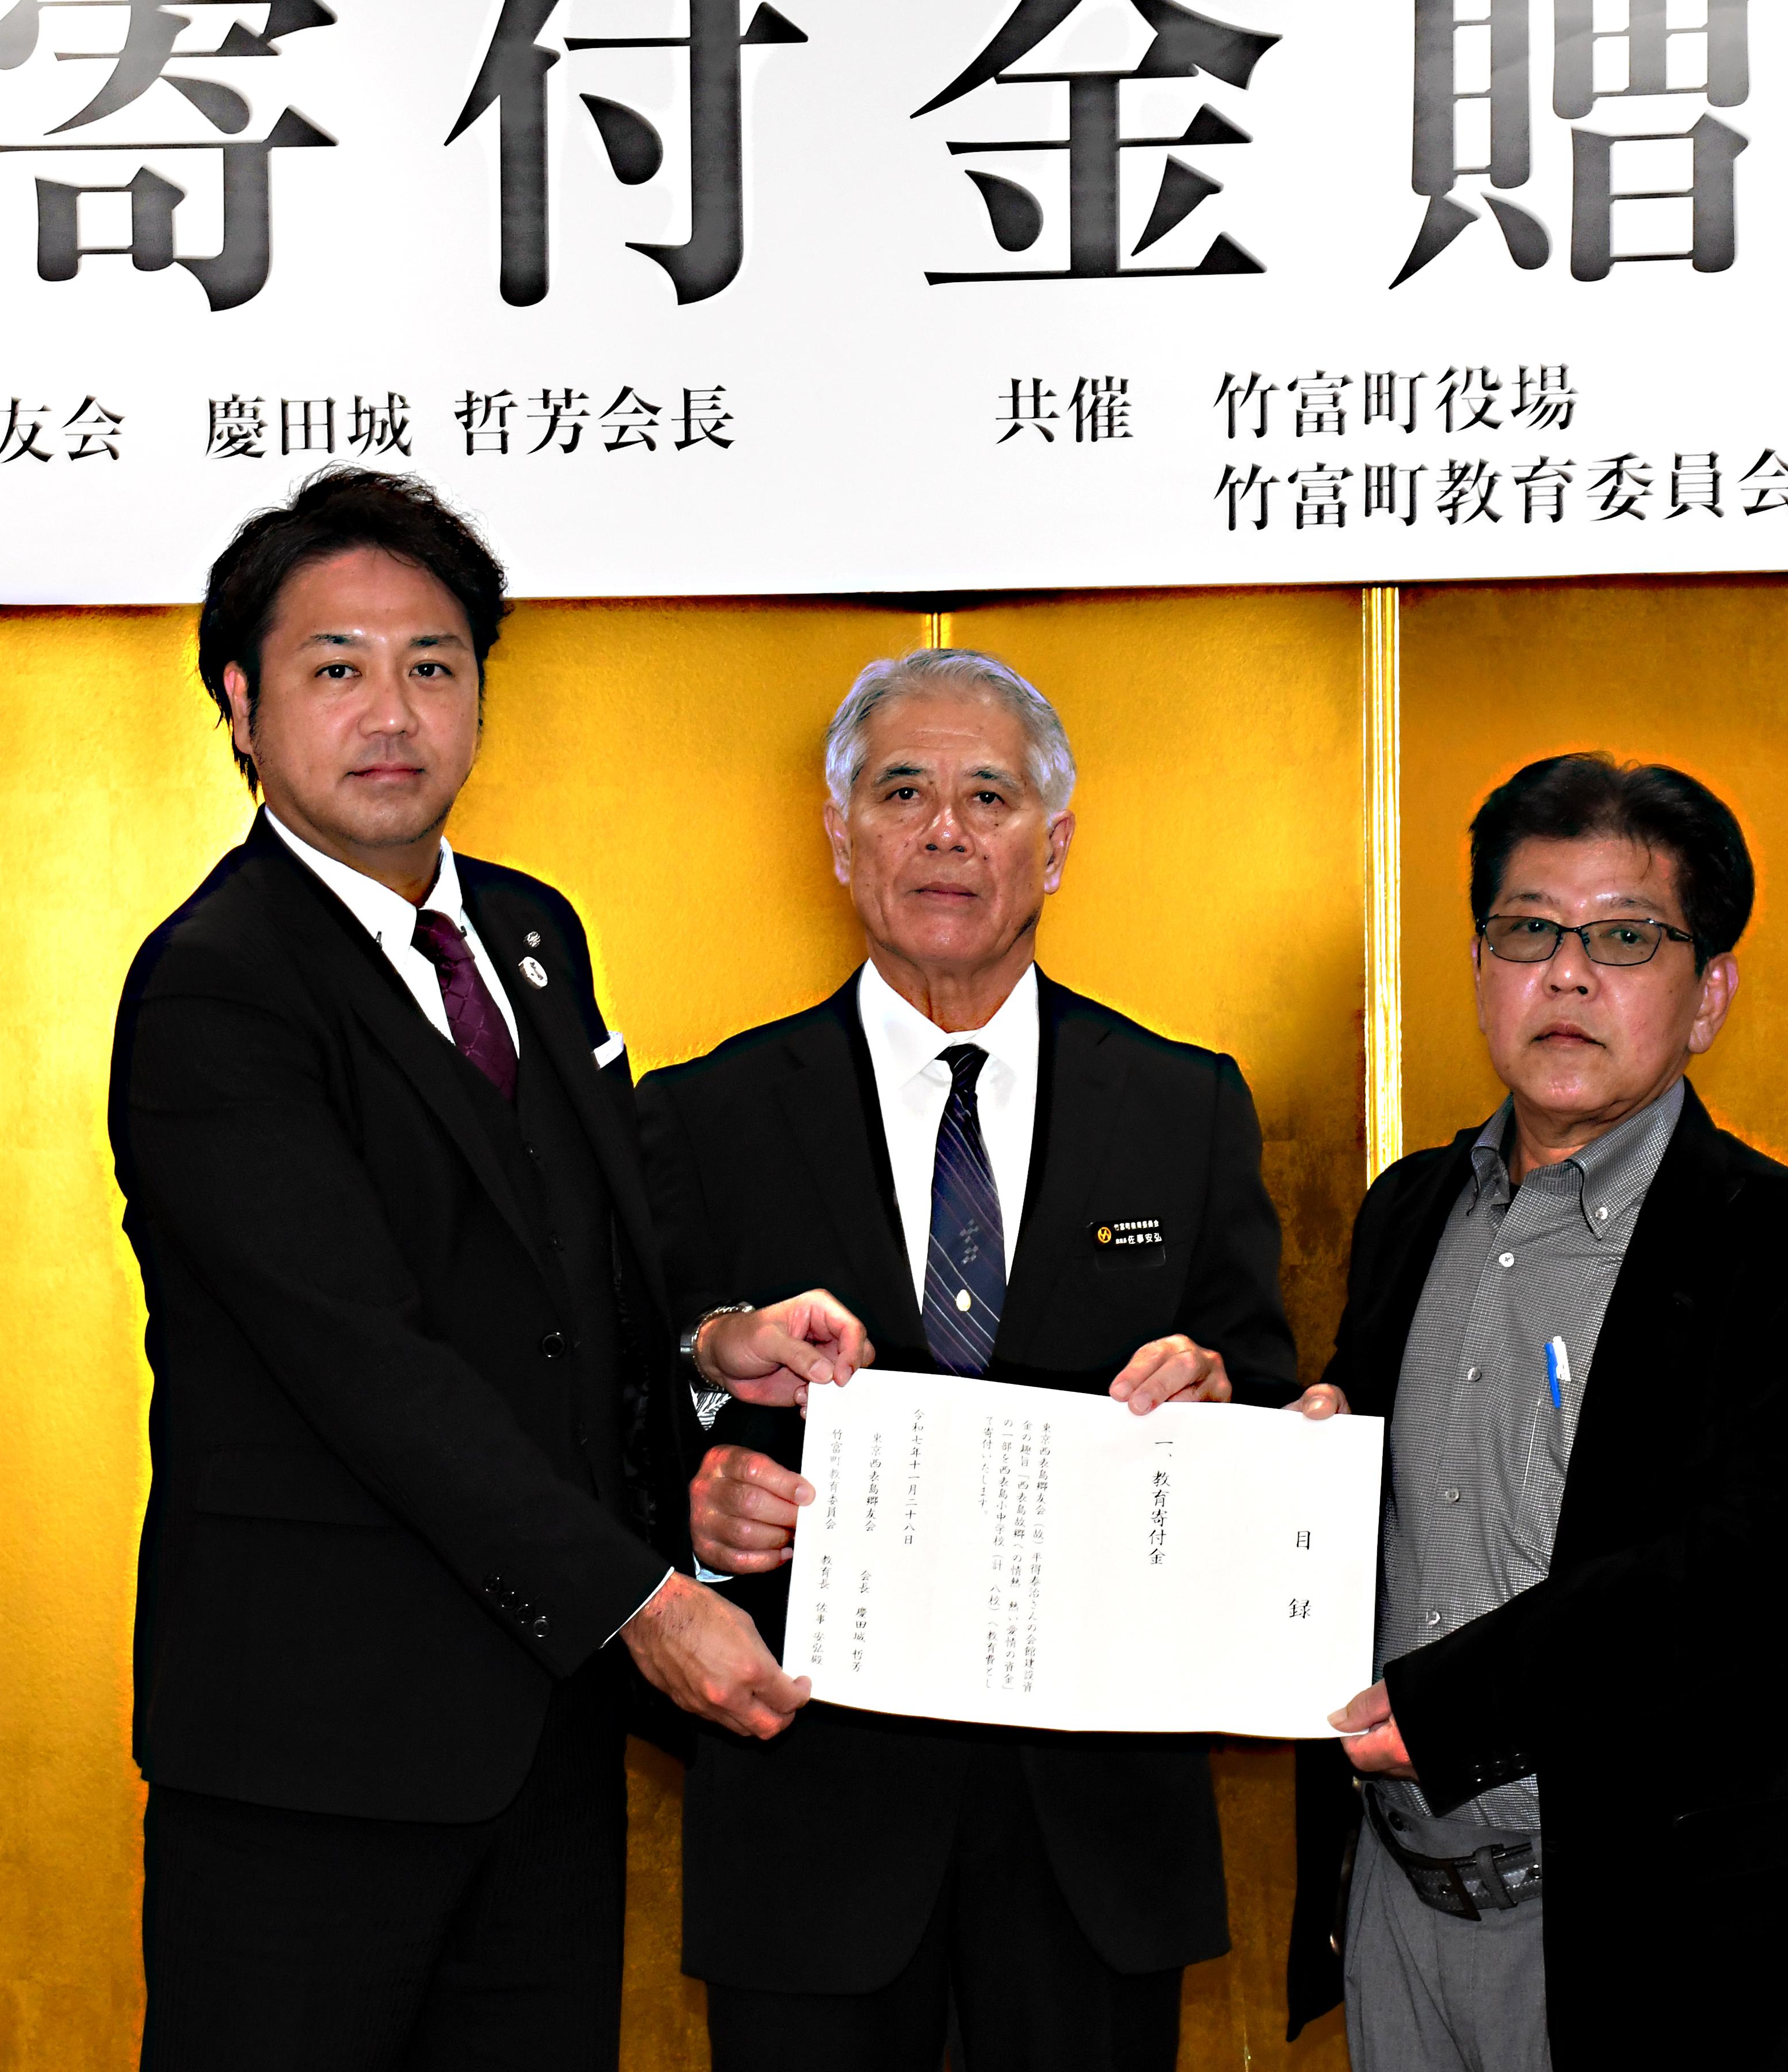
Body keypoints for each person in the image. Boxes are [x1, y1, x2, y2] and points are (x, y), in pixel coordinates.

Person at [111, 467, 858, 2072]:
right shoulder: (217, 988)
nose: (394, 711)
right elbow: (364, 1363)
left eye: (434, 664)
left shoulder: (531, 933)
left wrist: (712, 1340)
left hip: (543, 1736)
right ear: (240, 702)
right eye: (337, 667)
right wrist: (645, 1601)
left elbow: (589, 1256)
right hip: (313, 1757)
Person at [635, 648, 1300, 2072]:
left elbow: (1261, 1382)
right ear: (839, 835)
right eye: (903, 792)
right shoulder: (703, 1112)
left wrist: (1218, 1400)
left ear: (1055, 843)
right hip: (809, 1819)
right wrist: (696, 1501)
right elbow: (622, 1405)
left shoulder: (1182, 1104)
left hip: (1096, 1833)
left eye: (989, 796)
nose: (946, 830)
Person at [1283, 752, 1788, 2072]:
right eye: (1528, 930)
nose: (1566, 974)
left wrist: (1456, 1704)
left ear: (1710, 991)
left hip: (1660, 1938)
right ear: (1479, 967)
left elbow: (1772, 1568)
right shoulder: (1410, 1209)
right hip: (1399, 1912)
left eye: (1625, 937)